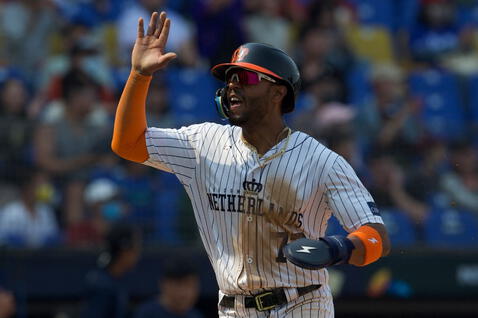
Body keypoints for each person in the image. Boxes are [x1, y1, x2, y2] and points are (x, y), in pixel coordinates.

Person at [111, 11, 391, 317]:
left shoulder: (320, 160)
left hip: (303, 303)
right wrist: (139, 75)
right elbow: (128, 144)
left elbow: (377, 236)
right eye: (229, 78)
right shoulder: (201, 143)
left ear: (277, 92)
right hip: (233, 308)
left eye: (244, 78)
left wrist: (339, 248)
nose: (232, 86)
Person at [82, 223, 142, 318]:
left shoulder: (116, 279)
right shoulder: (101, 285)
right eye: (135, 249)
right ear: (124, 251)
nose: (138, 254)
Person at [135, 254, 203, 318]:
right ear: (164, 284)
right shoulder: (146, 314)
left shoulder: (195, 316)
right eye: (179, 285)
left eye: (191, 286)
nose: (186, 293)